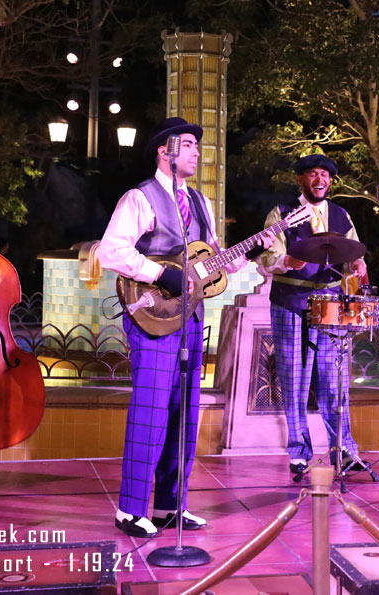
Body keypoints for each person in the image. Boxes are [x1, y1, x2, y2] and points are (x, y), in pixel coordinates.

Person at [97, 117, 274, 537]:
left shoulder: (198, 202)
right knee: (151, 411)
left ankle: (170, 506)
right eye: (190, 145)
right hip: (153, 317)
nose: (197, 151)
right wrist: (160, 274)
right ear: (166, 151)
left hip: (190, 317)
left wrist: (251, 252)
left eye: (197, 145)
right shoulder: (139, 198)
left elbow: (211, 259)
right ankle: (130, 509)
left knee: (183, 414)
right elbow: (111, 251)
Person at [259, 154, 369, 478]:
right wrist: (285, 262)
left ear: (330, 181)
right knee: (294, 380)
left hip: (330, 303)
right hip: (290, 301)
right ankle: (298, 453)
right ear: (301, 180)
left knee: (334, 381)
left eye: (325, 175)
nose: (320, 180)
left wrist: (357, 266)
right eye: (313, 174)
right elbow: (266, 258)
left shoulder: (341, 214)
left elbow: (352, 254)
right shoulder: (281, 214)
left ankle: (344, 449)